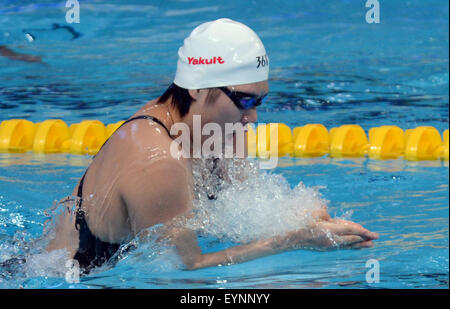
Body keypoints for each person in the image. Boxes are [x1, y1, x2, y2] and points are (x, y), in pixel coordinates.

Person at [45, 18, 378, 275]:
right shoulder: (159, 160)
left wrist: (309, 219)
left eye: (259, 100)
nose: (253, 116)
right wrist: (295, 240)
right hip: (76, 276)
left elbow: (243, 205)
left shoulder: (226, 125)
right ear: (198, 90)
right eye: (244, 99)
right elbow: (188, 268)